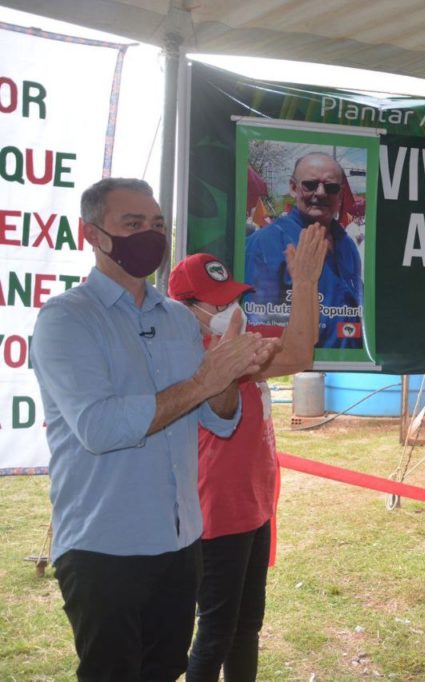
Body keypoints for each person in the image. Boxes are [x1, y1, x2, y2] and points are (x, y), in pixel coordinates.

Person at [30, 178, 279, 681]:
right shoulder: (67, 320)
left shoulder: (178, 321)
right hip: (105, 547)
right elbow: (99, 427)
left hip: (180, 542)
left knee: (165, 670)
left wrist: (225, 379)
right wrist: (205, 379)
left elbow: (218, 419)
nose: (150, 234)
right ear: (93, 234)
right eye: (133, 224)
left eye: (157, 225)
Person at [169, 223, 328, 682]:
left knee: (246, 626)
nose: (229, 309)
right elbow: (295, 356)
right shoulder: (197, 356)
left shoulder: (234, 343)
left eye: (231, 297)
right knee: (216, 631)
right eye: (217, 303)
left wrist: (306, 284)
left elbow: (299, 351)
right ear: (187, 308)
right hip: (217, 515)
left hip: (253, 508)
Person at [245, 151, 362, 349]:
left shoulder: (347, 244)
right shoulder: (266, 243)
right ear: (293, 187)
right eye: (310, 185)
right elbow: (258, 322)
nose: (321, 192)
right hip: (292, 369)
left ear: (340, 194)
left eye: (331, 187)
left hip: (345, 364)